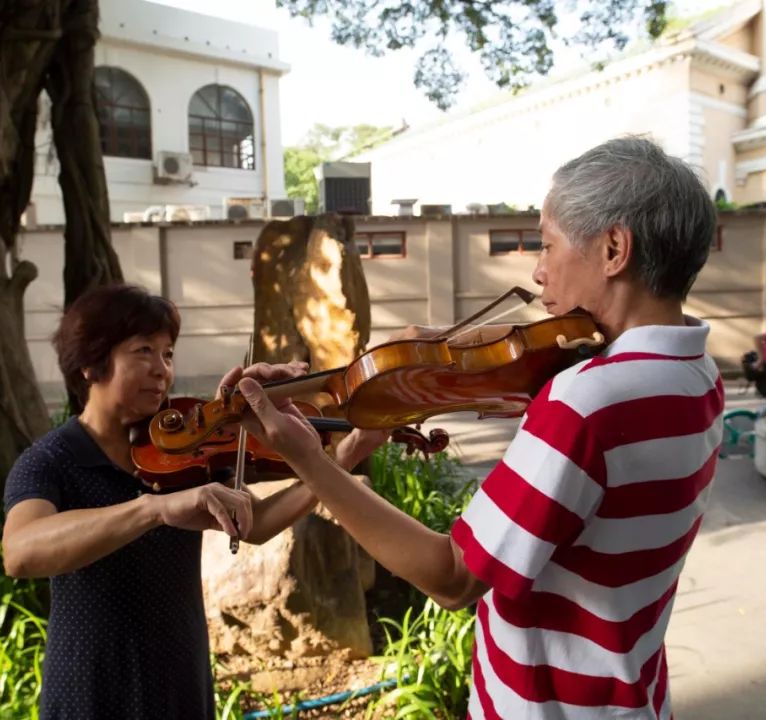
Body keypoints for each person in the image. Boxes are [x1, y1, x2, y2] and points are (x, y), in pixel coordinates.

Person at [238, 137, 725, 719]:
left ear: (615, 248)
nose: (540, 272)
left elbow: (452, 577)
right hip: (630, 697)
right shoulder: (696, 374)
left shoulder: (588, 401)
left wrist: (313, 462)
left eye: (546, 245)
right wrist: (436, 363)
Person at [1, 283, 386, 720]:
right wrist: (153, 508)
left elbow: (253, 524)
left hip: (178, 680)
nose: (161, 369)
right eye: (143, 351)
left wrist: (339, 459)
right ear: (91, 365)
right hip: (91, 685)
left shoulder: (181, 448)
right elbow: (21, 552)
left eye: (167, 354)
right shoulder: (50, 460)